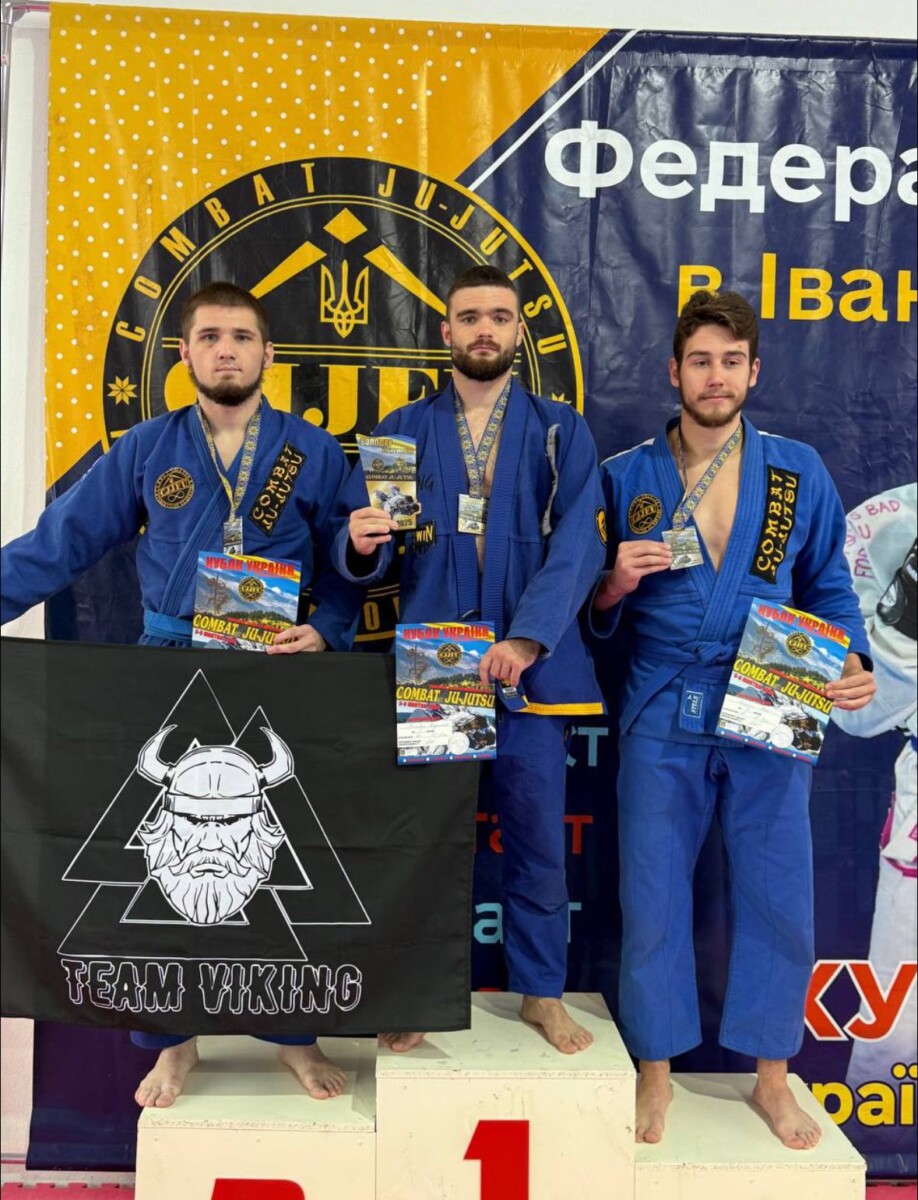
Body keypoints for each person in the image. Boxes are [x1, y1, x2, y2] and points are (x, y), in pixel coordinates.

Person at [1, 280, 365, 1106]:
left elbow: (350, 556)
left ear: (269, 353)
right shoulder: (146, 448)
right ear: (185, 354)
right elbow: (61, 542)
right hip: (168, 663)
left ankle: (294, 1036)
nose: (226, 350)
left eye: (241, 336)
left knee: (276, 855)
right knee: (159, 862)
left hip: (274, 667)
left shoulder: (313, 450)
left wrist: (330, 626)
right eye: (210, 337)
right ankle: (172, 1044)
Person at [592, 289, 876, 1148]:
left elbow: (827, 585)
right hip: (662, 700)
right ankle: (654, 1072)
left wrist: (852, 656)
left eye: (730, 361)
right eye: (700, 361)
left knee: (777, 893)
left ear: (754, 371)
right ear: (673, 371)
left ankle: (772, 1077)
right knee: (652, 896)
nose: (714, 377)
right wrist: (614, 583)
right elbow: (593, 613)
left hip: (772, 691)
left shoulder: (797, 471)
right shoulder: (627, 475)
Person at [334, 264, 607, 1054]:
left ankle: (542, 994)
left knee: (539, 843)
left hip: (530, 667)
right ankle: (419, 991)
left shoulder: (559, 430)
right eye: (469, 317)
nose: (484, 329)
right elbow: (370, 557)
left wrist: (527, 637)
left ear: (518, 330)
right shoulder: (402, 431)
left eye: (499, 316)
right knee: (428, 845)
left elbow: (580, 544)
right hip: (437, 664)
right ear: (446, 330)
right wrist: (359, 545)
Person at [831, 484, 916, 1096]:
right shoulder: (892, 522)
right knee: (901, 992)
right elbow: (855, 715)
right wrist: (904, 624)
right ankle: (881, 1120)